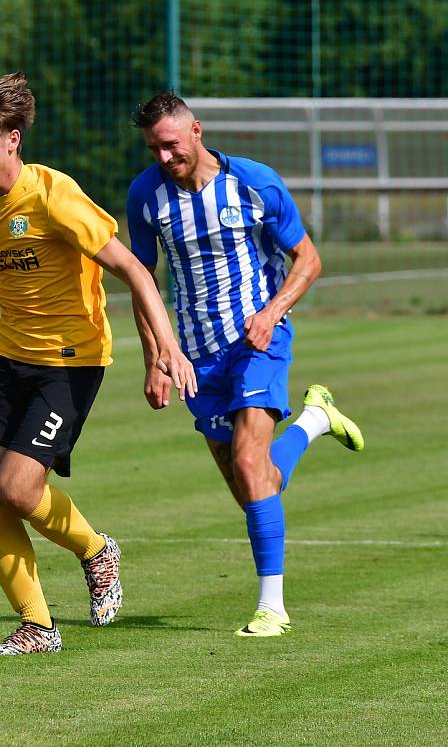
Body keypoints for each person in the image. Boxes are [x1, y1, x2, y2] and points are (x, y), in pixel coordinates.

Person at [0, 73, 196, 656]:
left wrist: (167, 348)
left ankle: (96, 550)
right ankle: (37, 627)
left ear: (12, 139)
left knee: (17, 487)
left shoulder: (55, 195)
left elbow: (134, 271)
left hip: (71, 362)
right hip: (7, 359)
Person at [126, 92, 365, 637]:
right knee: (250, 483)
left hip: (260, 343)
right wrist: (156, 360)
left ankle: (272, 607)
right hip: (195, 355)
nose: (163, 158)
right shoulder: (146, 195)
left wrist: (272, 312)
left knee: (251, 467)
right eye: (152, 149)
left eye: (170, 145)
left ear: (196, 131)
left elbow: (309, 258)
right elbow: (143, 284)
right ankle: (314, 420)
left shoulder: (254, 182)